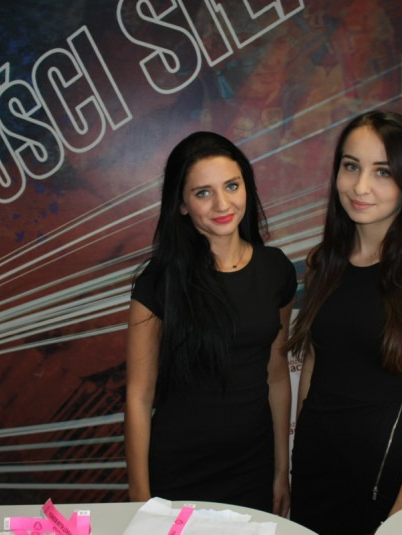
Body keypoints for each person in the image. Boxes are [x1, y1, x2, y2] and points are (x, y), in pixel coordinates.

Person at [287, 110, 402, 534]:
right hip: (314, 470)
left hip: (383, 479)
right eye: (351, 166)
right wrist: (298, 461)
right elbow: (314, 367)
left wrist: (399, 518)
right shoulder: (322, 263)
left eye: (382, 172)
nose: (360, 186)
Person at [124, 131, 296, 516]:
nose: (222, 204)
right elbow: (139, 395)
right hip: (179, 470)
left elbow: (276, 375)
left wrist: (281, 471)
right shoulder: (159, 281)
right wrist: (139, 498)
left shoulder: (276, 270)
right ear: (182, 205)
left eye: (232, 186)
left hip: (251, 467)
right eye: (203, 193)